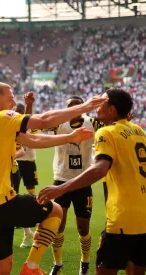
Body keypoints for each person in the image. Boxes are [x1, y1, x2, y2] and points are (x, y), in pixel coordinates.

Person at [0, 82, 106, 275]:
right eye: (10, 98)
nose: (13, 102)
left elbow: (33, 140)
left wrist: (68, 138)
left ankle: (31, 268)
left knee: (2, 269)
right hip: (2, 203)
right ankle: (31, 267)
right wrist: (85, 107)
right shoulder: (2, 117)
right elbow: (44, 120)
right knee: (56, 211)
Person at [39, 88, 146, 275]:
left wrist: (61, 188)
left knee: (104, 269)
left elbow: (100, 168)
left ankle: (83, 263)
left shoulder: (105, 132)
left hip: (125, 217)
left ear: (111, 109)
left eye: (101, 102)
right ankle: (59, 263)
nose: (95, 105)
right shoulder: (137, 130)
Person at [44, 95, 105, 275]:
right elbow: (34, 127)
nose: (74, 110)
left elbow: (113, 125)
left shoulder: (93, 123)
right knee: (58, 226)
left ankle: (84, 262)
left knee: (83, 227)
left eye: (78, 107)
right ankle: (58, 263)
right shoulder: (58, 124)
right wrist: (30, 105)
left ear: (83, 108)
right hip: (61, 180)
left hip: (82, 181)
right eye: (70, 107)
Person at [14, 100, 39, 248]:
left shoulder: (29, 124)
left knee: (32, 194)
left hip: (28, 161)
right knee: (13, 195)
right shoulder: (10, 124)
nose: (17, 113)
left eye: (19, 111)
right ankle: (26, 229)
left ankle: (34, 219)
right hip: (14, 163)